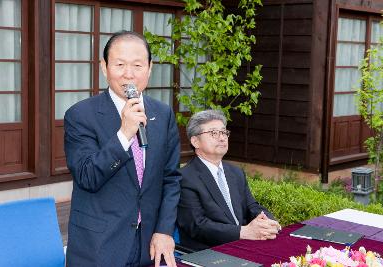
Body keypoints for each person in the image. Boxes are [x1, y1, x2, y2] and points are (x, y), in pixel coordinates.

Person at [64, 31, 181, 267]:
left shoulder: (163, 113)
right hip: (99, 247)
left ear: (149, 68)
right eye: (119, 64)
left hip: (149, 244)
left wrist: (164, 230)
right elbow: (88, 176)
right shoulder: (80, 115)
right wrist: (124, 134)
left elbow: (171, 178)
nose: (129, 73)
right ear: (104, 67)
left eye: (137, 65)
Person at [177, 109, 281, 251]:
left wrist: (268, 221)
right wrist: (243, 232)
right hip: (209, 252)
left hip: (245, 244)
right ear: (195, 141)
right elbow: (197, 225)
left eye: (224, 132)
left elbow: (252, 206)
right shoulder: (185, 177)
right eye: (214, 133)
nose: (222, 138)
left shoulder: (235, 172)